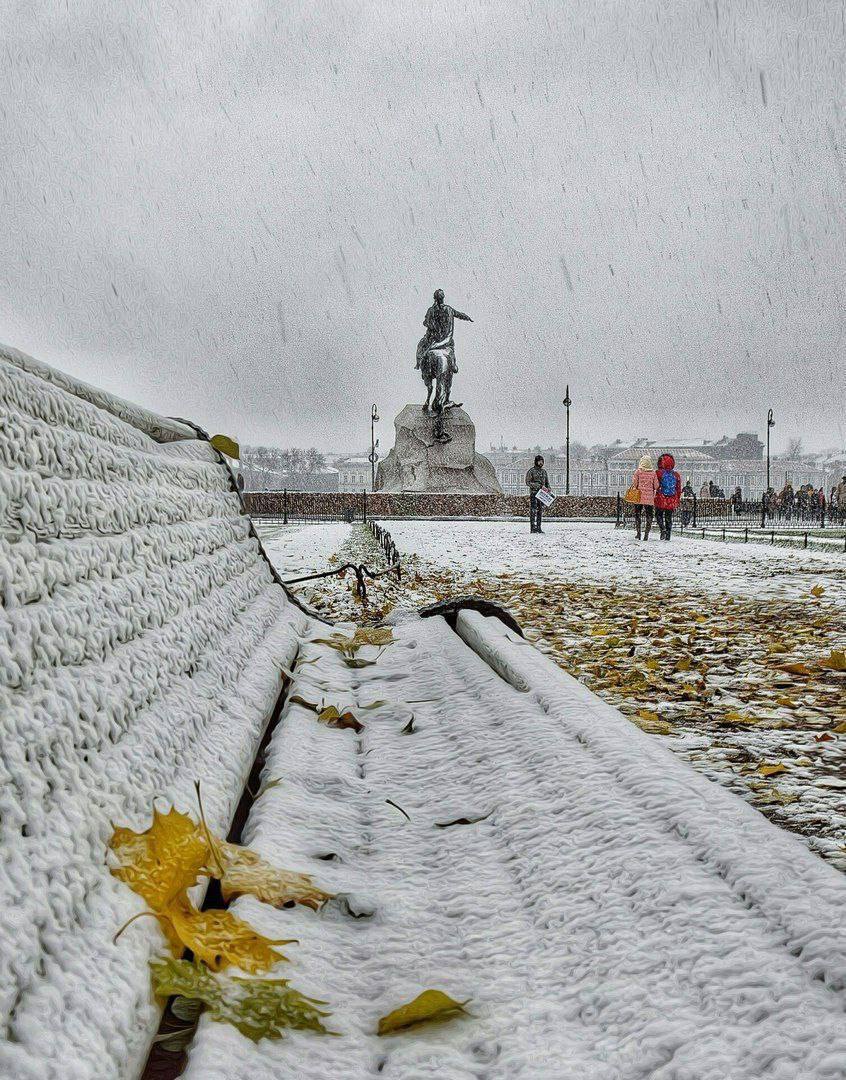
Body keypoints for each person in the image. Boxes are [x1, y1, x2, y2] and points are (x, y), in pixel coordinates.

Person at [630, 454, 658, 540]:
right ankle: (646, 534)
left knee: (637, 515)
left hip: (638, 497)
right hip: (649, 498)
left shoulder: (638, 472)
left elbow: (635, 485)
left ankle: (638, 533)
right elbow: (656, 486)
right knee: (649, 516)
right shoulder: (653, 473)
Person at [655, 453, 682, 540]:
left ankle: (662, 529)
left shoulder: (658, 473)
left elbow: (655, 485)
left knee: (658, 515)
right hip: (672, 498)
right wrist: (677, 499)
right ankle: (668, 535)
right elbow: (678, 489)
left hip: (661, 498)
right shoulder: (676, 475)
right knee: (668, 517)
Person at [525, 454, 550, 533]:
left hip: (542, 494)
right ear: (536, 462)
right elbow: (528, 482)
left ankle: (539, 527)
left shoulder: (544, 472)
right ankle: (533, 528)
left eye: (542, 461)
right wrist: (539, 486)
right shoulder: (531, 471)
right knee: (533, 510)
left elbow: (547, 482)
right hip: (534, 493)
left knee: (540, 511)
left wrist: (548, 489)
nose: (541, 463)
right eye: (539, 461)